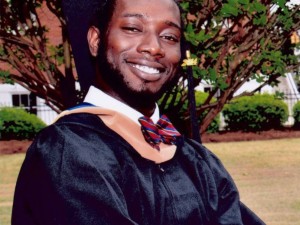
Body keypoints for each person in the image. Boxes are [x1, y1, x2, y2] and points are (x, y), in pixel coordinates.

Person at [12, 0, 265, 224]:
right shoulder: (66, 152)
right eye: (133, 28)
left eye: (169, 37)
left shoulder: (197, 160)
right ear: (95, 40)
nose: (154, 48)